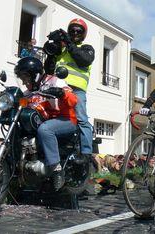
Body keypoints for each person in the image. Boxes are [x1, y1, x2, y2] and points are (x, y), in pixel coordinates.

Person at [14, 56, 78, 190]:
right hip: (48, 122)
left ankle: (56, 169)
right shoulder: (28, 93)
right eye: (22, 78)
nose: (24, 82)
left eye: (26, 77)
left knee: (45, 129)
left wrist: (61, 93)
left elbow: (74, 100)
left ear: (35, 75)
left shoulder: (54, 81)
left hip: (66, 119)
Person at [45, 18, 95, 163]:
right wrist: (52, 52)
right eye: (72, 30)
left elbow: (83, 60)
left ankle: (86, 153)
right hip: (56, 89)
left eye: (78, 31)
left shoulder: (87, 48)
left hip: (76, 91)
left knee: (81, 118)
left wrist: (68, 42)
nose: (75, 32)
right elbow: (48, 69)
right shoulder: (62, 50)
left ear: (84, 33)